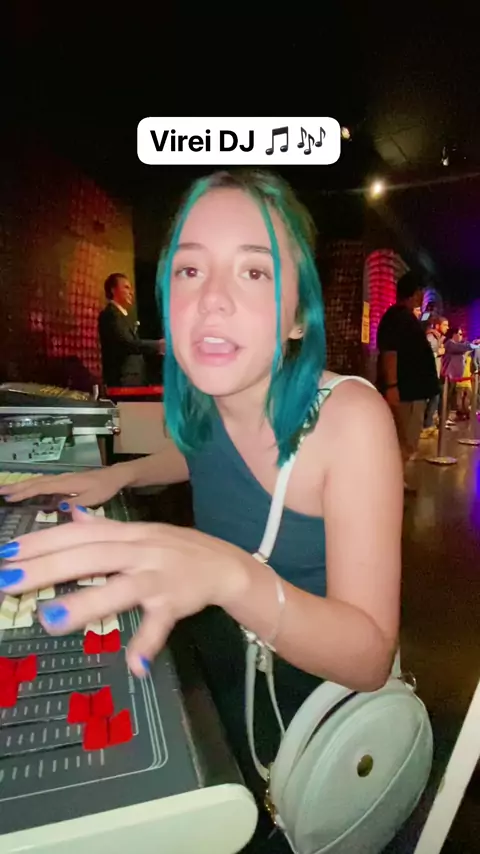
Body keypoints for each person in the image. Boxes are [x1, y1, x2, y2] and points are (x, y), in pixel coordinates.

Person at [0, 170, 402, 851]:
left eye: (254, 272)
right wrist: (118, 475)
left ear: (299, 316)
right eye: (190, 269)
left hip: (305, 725)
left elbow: (368, 657)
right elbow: (199, 454)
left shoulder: (350, 420)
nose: (212, 297)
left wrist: (228, 573)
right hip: (218, 671)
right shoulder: (211, 396)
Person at [376, 271, 439, 491]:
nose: (422, 295)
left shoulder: (401, 317)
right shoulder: (399, 318)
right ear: (414, 293)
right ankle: (389, 486)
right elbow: (390, 352)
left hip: (408, 390)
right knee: (406, 440)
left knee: (403, 439)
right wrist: (392, 386)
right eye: (420, 291)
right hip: (406, 392)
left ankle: (394, 482)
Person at [98, 273, 163, 387]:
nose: (131, 292)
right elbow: (126, 343)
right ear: (113, 290)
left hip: (134, 380)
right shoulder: (111, 314)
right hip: (122, 381)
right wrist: (158, 345)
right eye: (126, 287)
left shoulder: (123, 315)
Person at [422, 316, 449, 434]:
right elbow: (424, 355)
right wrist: (438, 352)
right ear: (437, 326)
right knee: (433, 397)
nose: (447, 327)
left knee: (435, 397)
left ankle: (430, 423)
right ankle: (427, 424)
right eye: (445, 325)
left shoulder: (438, 338)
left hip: (435, 373)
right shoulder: (431, 337)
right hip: (428, 374)